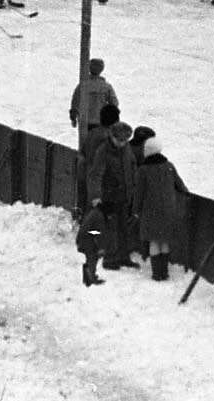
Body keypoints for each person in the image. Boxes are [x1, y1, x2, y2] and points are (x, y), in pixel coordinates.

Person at [132, 135, 188, 280]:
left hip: (151, 211)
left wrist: (136, 210)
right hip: (169, 210)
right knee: (164, 240)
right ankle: (165, 272)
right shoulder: (169, 166)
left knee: (154, 241)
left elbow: (139, 193)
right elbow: (180, 185)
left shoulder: (143, 170)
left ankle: (157, 274)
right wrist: (186, 193)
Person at [87, 121, 138, 270]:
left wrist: (134, 186)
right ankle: (109, 259)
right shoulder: (103, 151)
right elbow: (95, 174)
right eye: (120, 140)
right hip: (109, 196)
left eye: (125, 141)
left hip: (124, 195)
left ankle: (123, 257)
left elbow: (132, 166)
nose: (122, 143)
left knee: (123, 228)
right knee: (111, 228)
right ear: (113, 137)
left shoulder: (126, 148)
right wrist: (96, 196)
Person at [69, 58, 119, 131]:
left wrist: (73, 117)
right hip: (101, 120)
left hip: (84, 121)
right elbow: (114, 104)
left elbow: (75, 102)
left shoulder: (82, 85)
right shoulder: (106, 86)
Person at [76, 203, 109, 287]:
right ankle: (90, 278)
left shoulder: (94, 212)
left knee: (90, 258)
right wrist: (101, 247)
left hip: (84, 237)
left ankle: (88, 277)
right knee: (92, 257)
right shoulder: (100, 216)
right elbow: (100, 232)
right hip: (87, 238)